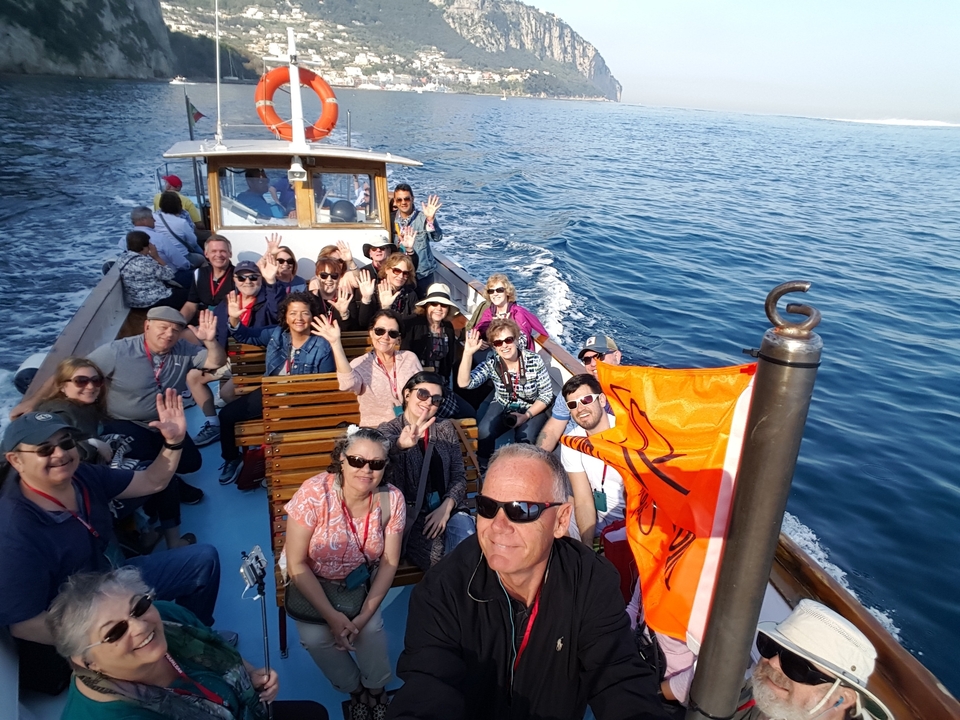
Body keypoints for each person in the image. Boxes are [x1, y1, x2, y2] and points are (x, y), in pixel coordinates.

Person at [388, 444, 667, 720]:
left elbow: (616, 676)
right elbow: (428, 686)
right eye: (486, 506)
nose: (497, 526)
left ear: (561, 520)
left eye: (521, 510)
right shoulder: (444, 588)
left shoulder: (590, 580)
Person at [0, 395, 221, 696]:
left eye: (66, 444)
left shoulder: (81, 476)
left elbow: (151, 482)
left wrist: (173, 442)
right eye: (44, 450)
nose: (61, 454)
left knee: (203, 560)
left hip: (112, 581)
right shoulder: (15, 533)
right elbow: (25, 624)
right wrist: (108, 640)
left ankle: (198, 637)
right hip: (84, 620)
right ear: (16, 460)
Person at [48, 567, 327, 720]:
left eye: (138, 607)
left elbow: (217, 645)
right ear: (86, 662)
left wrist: (251, 674)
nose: (140, 625)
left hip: (242, 707)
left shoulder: (168, 615)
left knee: (316, 714)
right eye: (115, 632)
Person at [282, 428, 404, 719]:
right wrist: (332, 617)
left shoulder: (391, 500)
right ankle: (354, 689)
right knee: (315, 639)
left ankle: (376, 688)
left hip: (358, 580)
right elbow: (297, 563)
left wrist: (362, 616)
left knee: (370, 630)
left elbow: (389, 562)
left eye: (376, 464)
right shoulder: (314, 493)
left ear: (385, 467)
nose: (366, 469)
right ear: (341, 459)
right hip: (313, 579)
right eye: (357, 460)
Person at [35, 357, 195, 551]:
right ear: (62, 386)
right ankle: (174, 544)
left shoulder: (81, 407)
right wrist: (92, 444)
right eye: (81, 381)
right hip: (85, 498)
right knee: (162, 479)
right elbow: (53, 453)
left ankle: (143, 532)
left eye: (96, 380)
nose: (91, 386)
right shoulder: (61, 413)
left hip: (85, 481)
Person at [217, 292, 335, 486]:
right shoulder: (276, 334)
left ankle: (280, 468)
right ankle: (232, 458)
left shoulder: (321, 345)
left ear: (312, 316)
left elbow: (323, 386)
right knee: (226, 416)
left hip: (300, 402)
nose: (299, 318)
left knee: (282, 430)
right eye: (293, 313)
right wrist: (234, 318)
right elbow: (244, 335)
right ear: (285, 317)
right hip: (270, 394)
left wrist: (289, 406)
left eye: (304, 313)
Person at [377, 372, 475, 570]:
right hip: (411, 516)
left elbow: (458, 475)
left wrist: (446, 508)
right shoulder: (388, 431)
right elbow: (381, 460)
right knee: (441, 558)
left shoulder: (445, 428)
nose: (428, 402)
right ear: (407, 395)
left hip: (448, 507)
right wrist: (400, 445)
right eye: (422, 394)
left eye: (436, 399)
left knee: (469, 547)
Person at [733, 599, 893, 720]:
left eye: (795, 664)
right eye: (770, 647)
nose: (773, 663)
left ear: (842, 698)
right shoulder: (774, 697)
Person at [457, 318, 553, 470]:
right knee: (483, 432)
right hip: (503, 402)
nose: (504, 346)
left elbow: (546, 395)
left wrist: (526, 415)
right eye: (498, 342)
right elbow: (465, 383)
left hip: (532, 406)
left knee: (524, 440)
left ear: (516, 340)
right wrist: (468, 353)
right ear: (494, 347)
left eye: (508, 340)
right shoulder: (492, 362)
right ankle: (484, 463)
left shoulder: (534, 360)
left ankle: (521, 471)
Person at [313, 310, 423, 428]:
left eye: (393, 334)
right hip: (376, 431)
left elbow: (423, 390)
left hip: (411, 428)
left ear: (398, 338)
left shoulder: (409, 358)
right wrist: (335, 343)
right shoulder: (360, 363)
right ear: (371, 333)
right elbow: (347, 384)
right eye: (379, 331)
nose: (385, 337)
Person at [559, 373, 625, 542]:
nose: (580, 409)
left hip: (629, 523)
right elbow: (583, 500)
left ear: (602, 400)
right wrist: (587, 548)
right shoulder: (572, 442)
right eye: (573, 405)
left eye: (586, 400)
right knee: (554, 520)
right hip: (597, 519)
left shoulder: (627, 436)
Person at [538, 335, 622, 452]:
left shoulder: (632, 393)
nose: (593, 364)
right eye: (587, 360)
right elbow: (554, 428)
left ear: (617, 356)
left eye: (599, 356)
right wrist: (539, 456)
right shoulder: (574, 389)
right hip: (572, 447)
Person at [401, 283, 472, 418]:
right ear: (426, 306)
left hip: (439, 385)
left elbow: (449, 362)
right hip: (418, 386)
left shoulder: (448, 328)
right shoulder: (413, 324)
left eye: (443, 305)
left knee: (469, 413)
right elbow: (404, 357)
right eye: (434, 304)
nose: (438, 308)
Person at [473, 273, 548, 352]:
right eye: (491, 291)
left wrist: (508, 325)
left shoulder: (518, 313)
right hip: (496, 355)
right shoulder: (489, 312)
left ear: (507, 292)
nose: (495, 294)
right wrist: (478, 341)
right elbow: (476, 331)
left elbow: (523, 344)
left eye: (499, 290)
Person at [212, 260, 279, 347]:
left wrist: (271, 282)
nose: (247, 282)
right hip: (227, 356)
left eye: (253, 277)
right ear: (234, 280)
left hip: (257, 356)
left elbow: (278, 313)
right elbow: (217, 332)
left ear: (261, 278)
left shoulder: (270, 299)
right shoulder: (228, 301)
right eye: (241, 278)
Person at [390, 184, 442, 295]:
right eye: (399, 200)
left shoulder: (423, 218)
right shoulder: (391, 219)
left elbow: (436, 238)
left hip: (422, 275)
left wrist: (430, 220)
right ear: (395, 201)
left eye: (407, 199)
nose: (403, 202)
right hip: (400, 274)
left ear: (412, 199)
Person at [115, 230, 186, 310]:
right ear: (145, 246)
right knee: (187, 294)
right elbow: (169, 275)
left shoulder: (122, 258)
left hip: (134, 302)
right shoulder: (147, 262)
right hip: (154, 301)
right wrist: (156, 257)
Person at [179, 234, 235, 323]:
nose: (218, 255)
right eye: (214, 251)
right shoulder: (199, 273)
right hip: (204, 321)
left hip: (227, 323)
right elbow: (191, 304)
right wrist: (178, 324)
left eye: (223, 251)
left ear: (230, 254)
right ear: (206, 254)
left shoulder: (238, 276)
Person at [357, 252, 419, 329]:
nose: (401, 276)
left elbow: (415, 320)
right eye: (397, 271)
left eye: (405, 273)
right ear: (387, 270)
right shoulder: (374, 292)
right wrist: (367, 299)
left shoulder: (410, 294)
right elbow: (364, 323)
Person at [126, 207, 191, 280]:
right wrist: (188, 266)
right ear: (144, 220)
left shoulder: (124, 240)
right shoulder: (159, 238)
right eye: (151, 218)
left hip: (145, 278)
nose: (154, 220)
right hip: (170, 276)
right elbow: (180, 263)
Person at [153, 192, 203, 271]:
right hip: (182, 256)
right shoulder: (181, 222)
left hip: (161, 255)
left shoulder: (153, 217)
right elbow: (193, 242)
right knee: (203, 259)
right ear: (178, 205)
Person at [308, 255, 355, 328]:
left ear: (339, 278)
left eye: (334, 275)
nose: (329, 279)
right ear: (317, 276)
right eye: (324, 275)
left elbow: (352, 331)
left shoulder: (347, 298)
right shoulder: (308, 299)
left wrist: (344, 314)